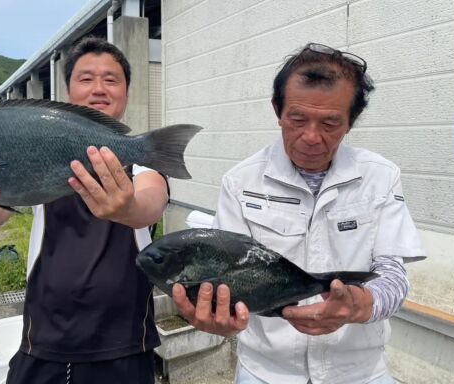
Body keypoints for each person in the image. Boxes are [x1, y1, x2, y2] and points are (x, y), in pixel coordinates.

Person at [172, 43, 426, 384]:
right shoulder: (241, 182)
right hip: (265, 371)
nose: (311, 137)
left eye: (330, 123)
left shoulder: (380, 176)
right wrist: (220, 317)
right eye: (297, 119)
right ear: (277, 110)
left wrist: (358, 304)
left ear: (350, 122)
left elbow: (393, 274)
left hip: (360, 372)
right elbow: (226, 275)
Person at [0, 37, 167, 384]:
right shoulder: (39, 154)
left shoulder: (143, 163)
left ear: (127, 93)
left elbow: (150, 205)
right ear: (68, 92)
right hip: (42, 342)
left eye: (111, 79)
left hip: (126, 346)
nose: (99, 88)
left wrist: (128, 207)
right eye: (86, 78)